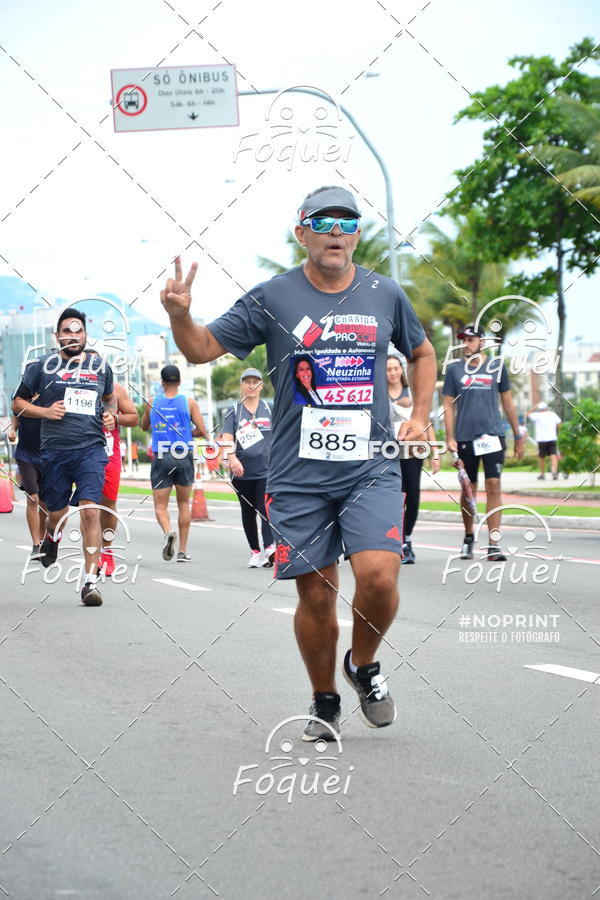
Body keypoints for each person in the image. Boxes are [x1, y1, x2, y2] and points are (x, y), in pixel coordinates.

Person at [160, 185, 436, 741]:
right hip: (296, 476)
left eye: (348, 222)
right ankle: (324, 698)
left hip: (370, 467)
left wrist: (422, 413)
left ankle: (362, 664)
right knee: (316, 593)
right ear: (301, 232)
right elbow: (200, 349)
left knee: (380, 577)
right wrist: (180, 317)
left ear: (357, 234)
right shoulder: (273, 297)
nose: (337, 231)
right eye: (324, 221)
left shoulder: (384, 293)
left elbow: (422, 352)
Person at [12, 307, 114, 606]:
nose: (72, 335)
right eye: (66, 331)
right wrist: (45, 412)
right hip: (54, 452)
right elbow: (17, 402)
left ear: (85, 335)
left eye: (77, 330)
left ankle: (89, 582)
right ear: (57, 336)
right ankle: (52, 537)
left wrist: (110, 416)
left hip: (91, 449)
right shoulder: (41, 367)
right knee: (57, 514)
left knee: (91, 511)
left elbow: (109, 400)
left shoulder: (101, 367)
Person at [442, 323, 525, 562]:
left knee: (494, 485)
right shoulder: (454, 369)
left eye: (470, 340)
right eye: (463, 340)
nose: (466, 344)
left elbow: (508, 403)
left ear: (482, 342)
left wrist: (518, 435)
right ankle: (469, 537)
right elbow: (448, 405)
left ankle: (493, 544)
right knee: (469, 489)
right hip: (465, 438)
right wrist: (449, 437)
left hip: (493, 436)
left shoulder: (497, 367)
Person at [141, 365, 207, 562]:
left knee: (160, 506)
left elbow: (144, 426)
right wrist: (187, 432)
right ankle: (183, 551)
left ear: (162, 383)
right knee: (183, 504)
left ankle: (168, 531)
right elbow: (202, 430)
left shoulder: (151, 402)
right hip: (183, 454)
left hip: (161, 455)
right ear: (179, 382)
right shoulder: (189, 403)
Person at [387, 354, 440, 564]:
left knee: (413, 497)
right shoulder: (380, 394)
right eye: (388, 369)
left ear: (401, 370)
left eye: (395, 368)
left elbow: (426, 423)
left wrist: (435, 452)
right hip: (389, 454)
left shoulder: (413, 393)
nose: (392, 372)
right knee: (396, 498)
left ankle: (407, 538)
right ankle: (397, 543)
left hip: (413, 452)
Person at [222, 367, 275, 568]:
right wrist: (232, 459)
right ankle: (255, 551)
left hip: (266, 470)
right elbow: (227, 438)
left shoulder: (269, 408)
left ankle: (269, 548)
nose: (252, 385)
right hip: (241, 471)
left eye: (255, 382)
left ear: (261, 386)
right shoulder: (233, 410)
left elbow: (280, 435)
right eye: (247, 382)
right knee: (248, 510)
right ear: (242, 385)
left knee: (264, 507)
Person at [97, 383, 139, 575]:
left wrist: (115, 418)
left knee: (108, 505)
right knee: (88, 506)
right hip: (82, 451)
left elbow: (134, 417)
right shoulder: (71, 383)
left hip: (109, 454)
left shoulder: (116, 389)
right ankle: (92, 553)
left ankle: (107, 551)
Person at [8, 404, 48, 556]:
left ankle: (42, 540)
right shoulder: (22, 396)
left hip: (47, 455)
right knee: (33, 499)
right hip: (26, 456)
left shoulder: (50, 394)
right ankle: (36, 545)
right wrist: (13, 430)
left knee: (44, 503)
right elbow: (16, 414)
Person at [527, 402, 561, 480]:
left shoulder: (537, 415)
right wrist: (558, 432)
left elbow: (527, 414)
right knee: (553, 455)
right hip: (552, 438)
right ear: (546, 408)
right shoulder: (552, 414)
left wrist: (534, 407)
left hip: (541, 440)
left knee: (541, 457)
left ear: (539, 409)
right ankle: (554, 472)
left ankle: (542, 474)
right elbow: (559, 423)